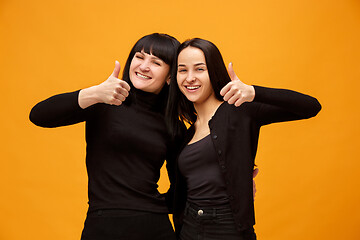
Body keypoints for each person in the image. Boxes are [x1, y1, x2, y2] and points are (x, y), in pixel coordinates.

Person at [166, 38, 321, 240]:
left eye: (199, 69)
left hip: (227, 228)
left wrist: (254, 92)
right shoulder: (184, 134)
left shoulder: (239, 109)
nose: (190, 78)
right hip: (188, 227)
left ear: (214, 71)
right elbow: (179, 194)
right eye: (182, 70)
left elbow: (310, 106)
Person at [29, 33, 181, 240]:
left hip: (155, 227)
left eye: (156, 62)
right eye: (140, 56)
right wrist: (94, 93)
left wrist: (148, 206)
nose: (144, 66)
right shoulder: (104, 101)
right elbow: (38, 115)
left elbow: (182, 187)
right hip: (103, 224)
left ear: (170, 76)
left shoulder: (172, 124)